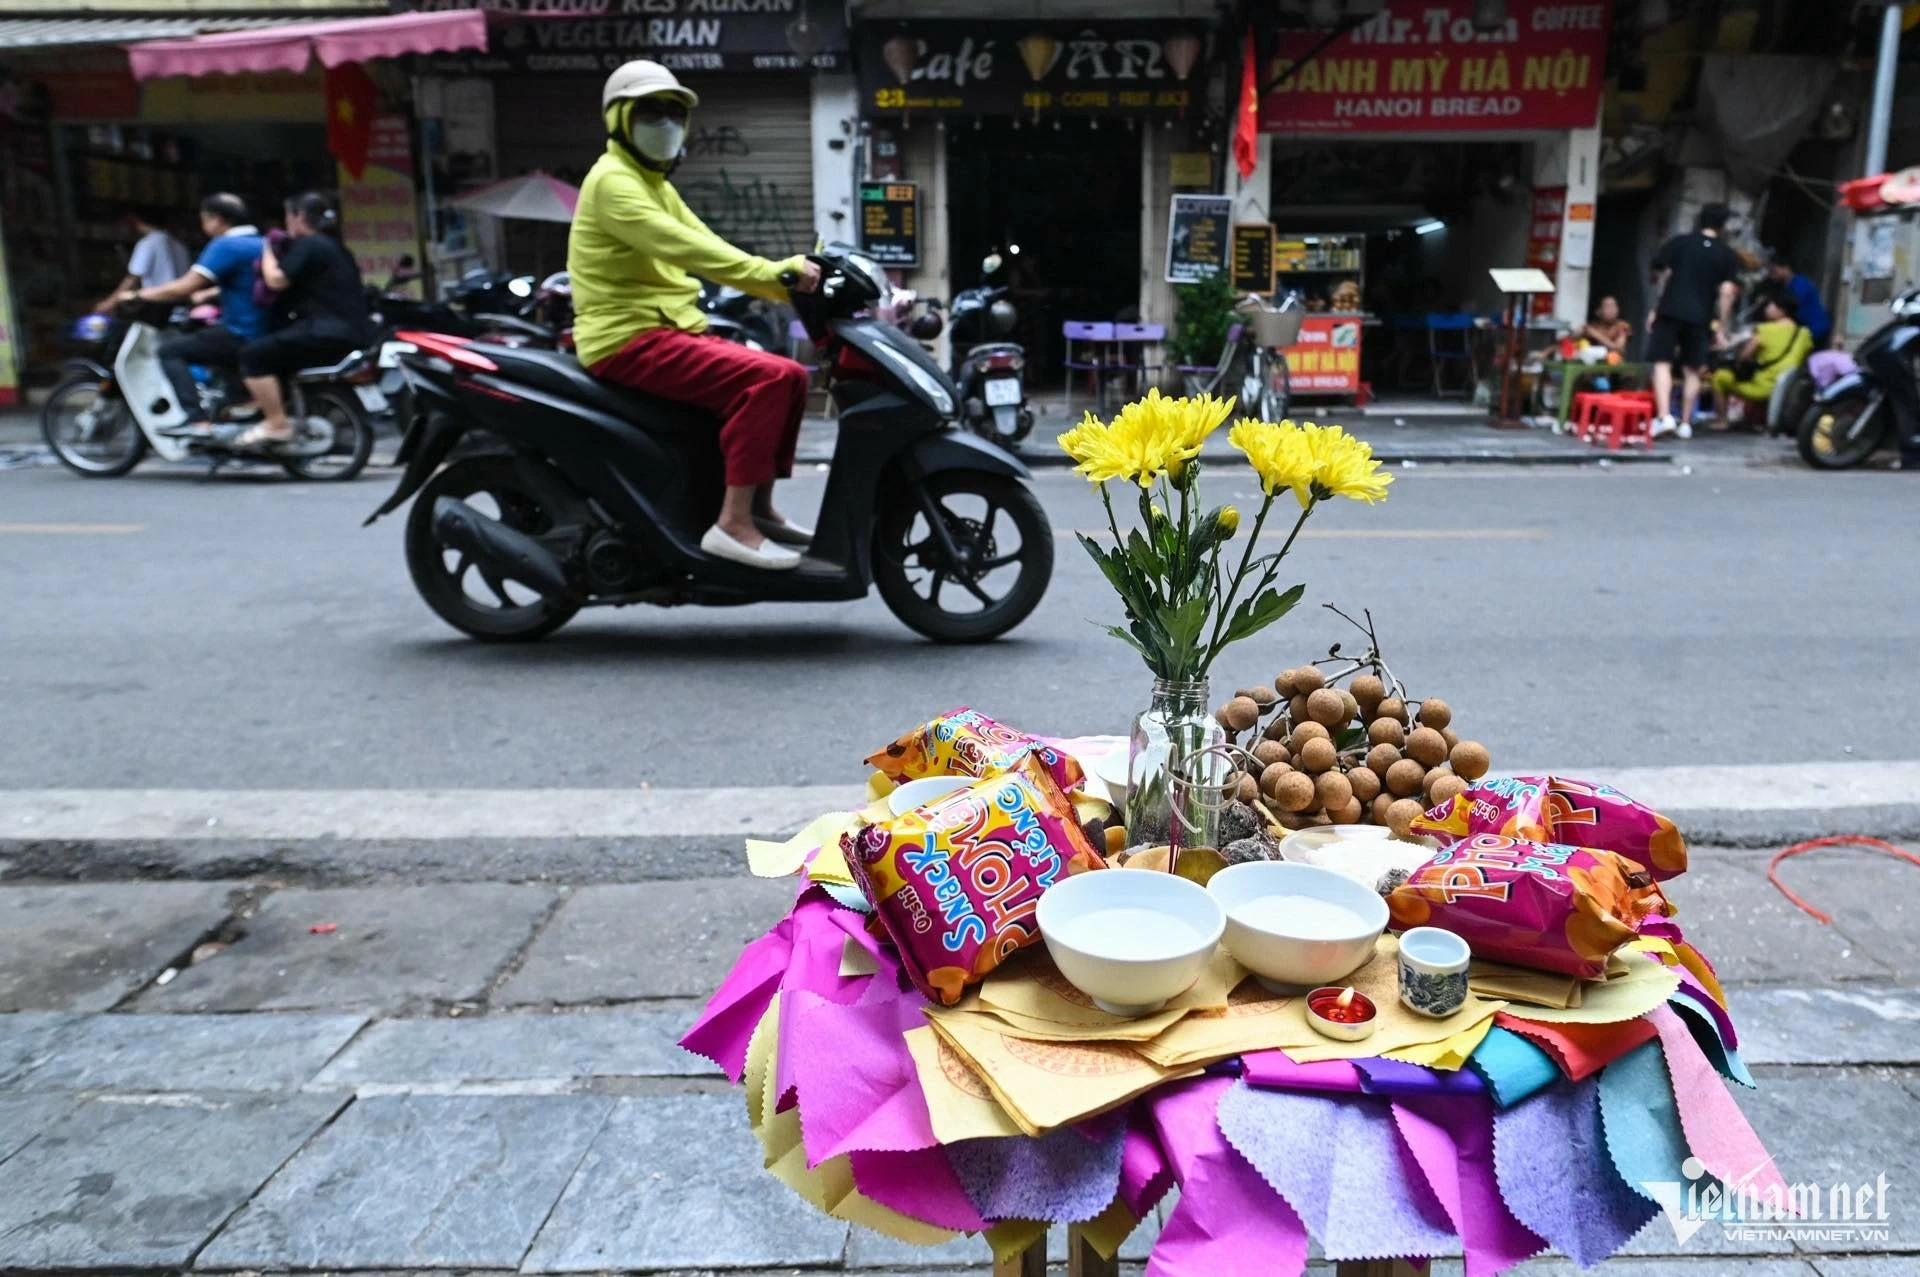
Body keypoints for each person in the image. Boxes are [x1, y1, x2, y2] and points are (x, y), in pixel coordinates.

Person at [568, 59, 821, 571]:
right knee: (767, 380)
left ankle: (760, 508)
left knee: (792, 375)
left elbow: (708, 240)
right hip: (628, 338)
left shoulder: (653, 182)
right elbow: (691, 252)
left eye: (673, 112)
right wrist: (777, 278)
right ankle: (733, 525)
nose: (664, 122)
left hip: (667, 328)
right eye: (650, 111)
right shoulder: (613, 183)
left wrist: (781, 273)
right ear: (619, 120)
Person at [228, 191, 371, 449]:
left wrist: (268, 249)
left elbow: (276, 280)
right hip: (349, 331)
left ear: (299, 217)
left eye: (287, 216)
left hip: (324, 332)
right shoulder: (337, 247)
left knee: (252, 356)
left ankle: (276, 423)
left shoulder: (309, 244)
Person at [120, 193, 266, 435]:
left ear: (217, 219)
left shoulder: (226, 245)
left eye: (204, 219)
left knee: (170, 351)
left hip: (242, 329)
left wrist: (138, 296)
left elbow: (186, 286)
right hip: (262, 326)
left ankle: (196, 420)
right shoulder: (260, 243)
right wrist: (211, 295)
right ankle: (232, 403)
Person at [1646, 202, 1742, 440]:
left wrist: (1656, 308)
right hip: (1701, 317)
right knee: (1693, 371)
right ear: (1722, 226)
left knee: (1662, 362)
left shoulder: (1680, 243)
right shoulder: (1726, 254)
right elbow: (1727, 292)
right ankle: (1686, 423)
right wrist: (1720, 325)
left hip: (1670, 311)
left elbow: (1663, 275)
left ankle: (1664, 416)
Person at [1707, 289, 1812, 429]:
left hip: (1763, 387)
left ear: (1782, 310)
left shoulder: (1764, 330)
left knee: (1720, 377)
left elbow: (1744, 357)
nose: (1767, 309)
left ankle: (1722, 420)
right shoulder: (1804, 334)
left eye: (1770, 306)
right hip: (1788, 388)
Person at [92, 208, 189, 313]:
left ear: (133, 221)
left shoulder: (148, 243)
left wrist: (109, 303)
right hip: (181, 304)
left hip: (158, 304)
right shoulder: (179, 245)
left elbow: (132, 278)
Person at [1765, 255, 1831, 347]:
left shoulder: (1800, 284)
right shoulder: (1785, 286)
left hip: (1814, 329)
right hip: (1803, 329)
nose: (1772, 276)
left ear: (1786, 268)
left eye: (1774, 271)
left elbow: (1790, 306)